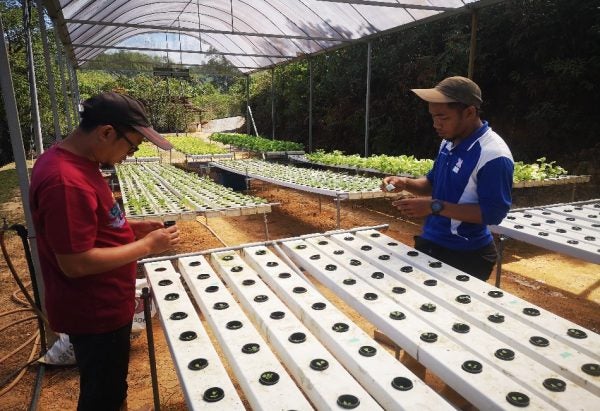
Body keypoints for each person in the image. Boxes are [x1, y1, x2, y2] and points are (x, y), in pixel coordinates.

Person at [30, 92, 180, 411]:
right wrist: (147, 246)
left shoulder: (79, 162)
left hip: (105, 304)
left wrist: (131, 227)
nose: (129, 155)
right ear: (107, 132)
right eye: (132, 146)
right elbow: (75, 263)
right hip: (95, 313)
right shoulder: (65, 181)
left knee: (110, 389)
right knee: (102, 398)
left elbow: (91, 224)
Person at [382, 76, 514, 281]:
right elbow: (431, 183)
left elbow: (493, 213)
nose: (436, 124)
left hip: (466, 254)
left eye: (443, 117)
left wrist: (433, 206)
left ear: (469, 112)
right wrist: (404, 183)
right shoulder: (449, 142)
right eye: (433, 117)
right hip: (432, 241)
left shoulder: (493, 155)